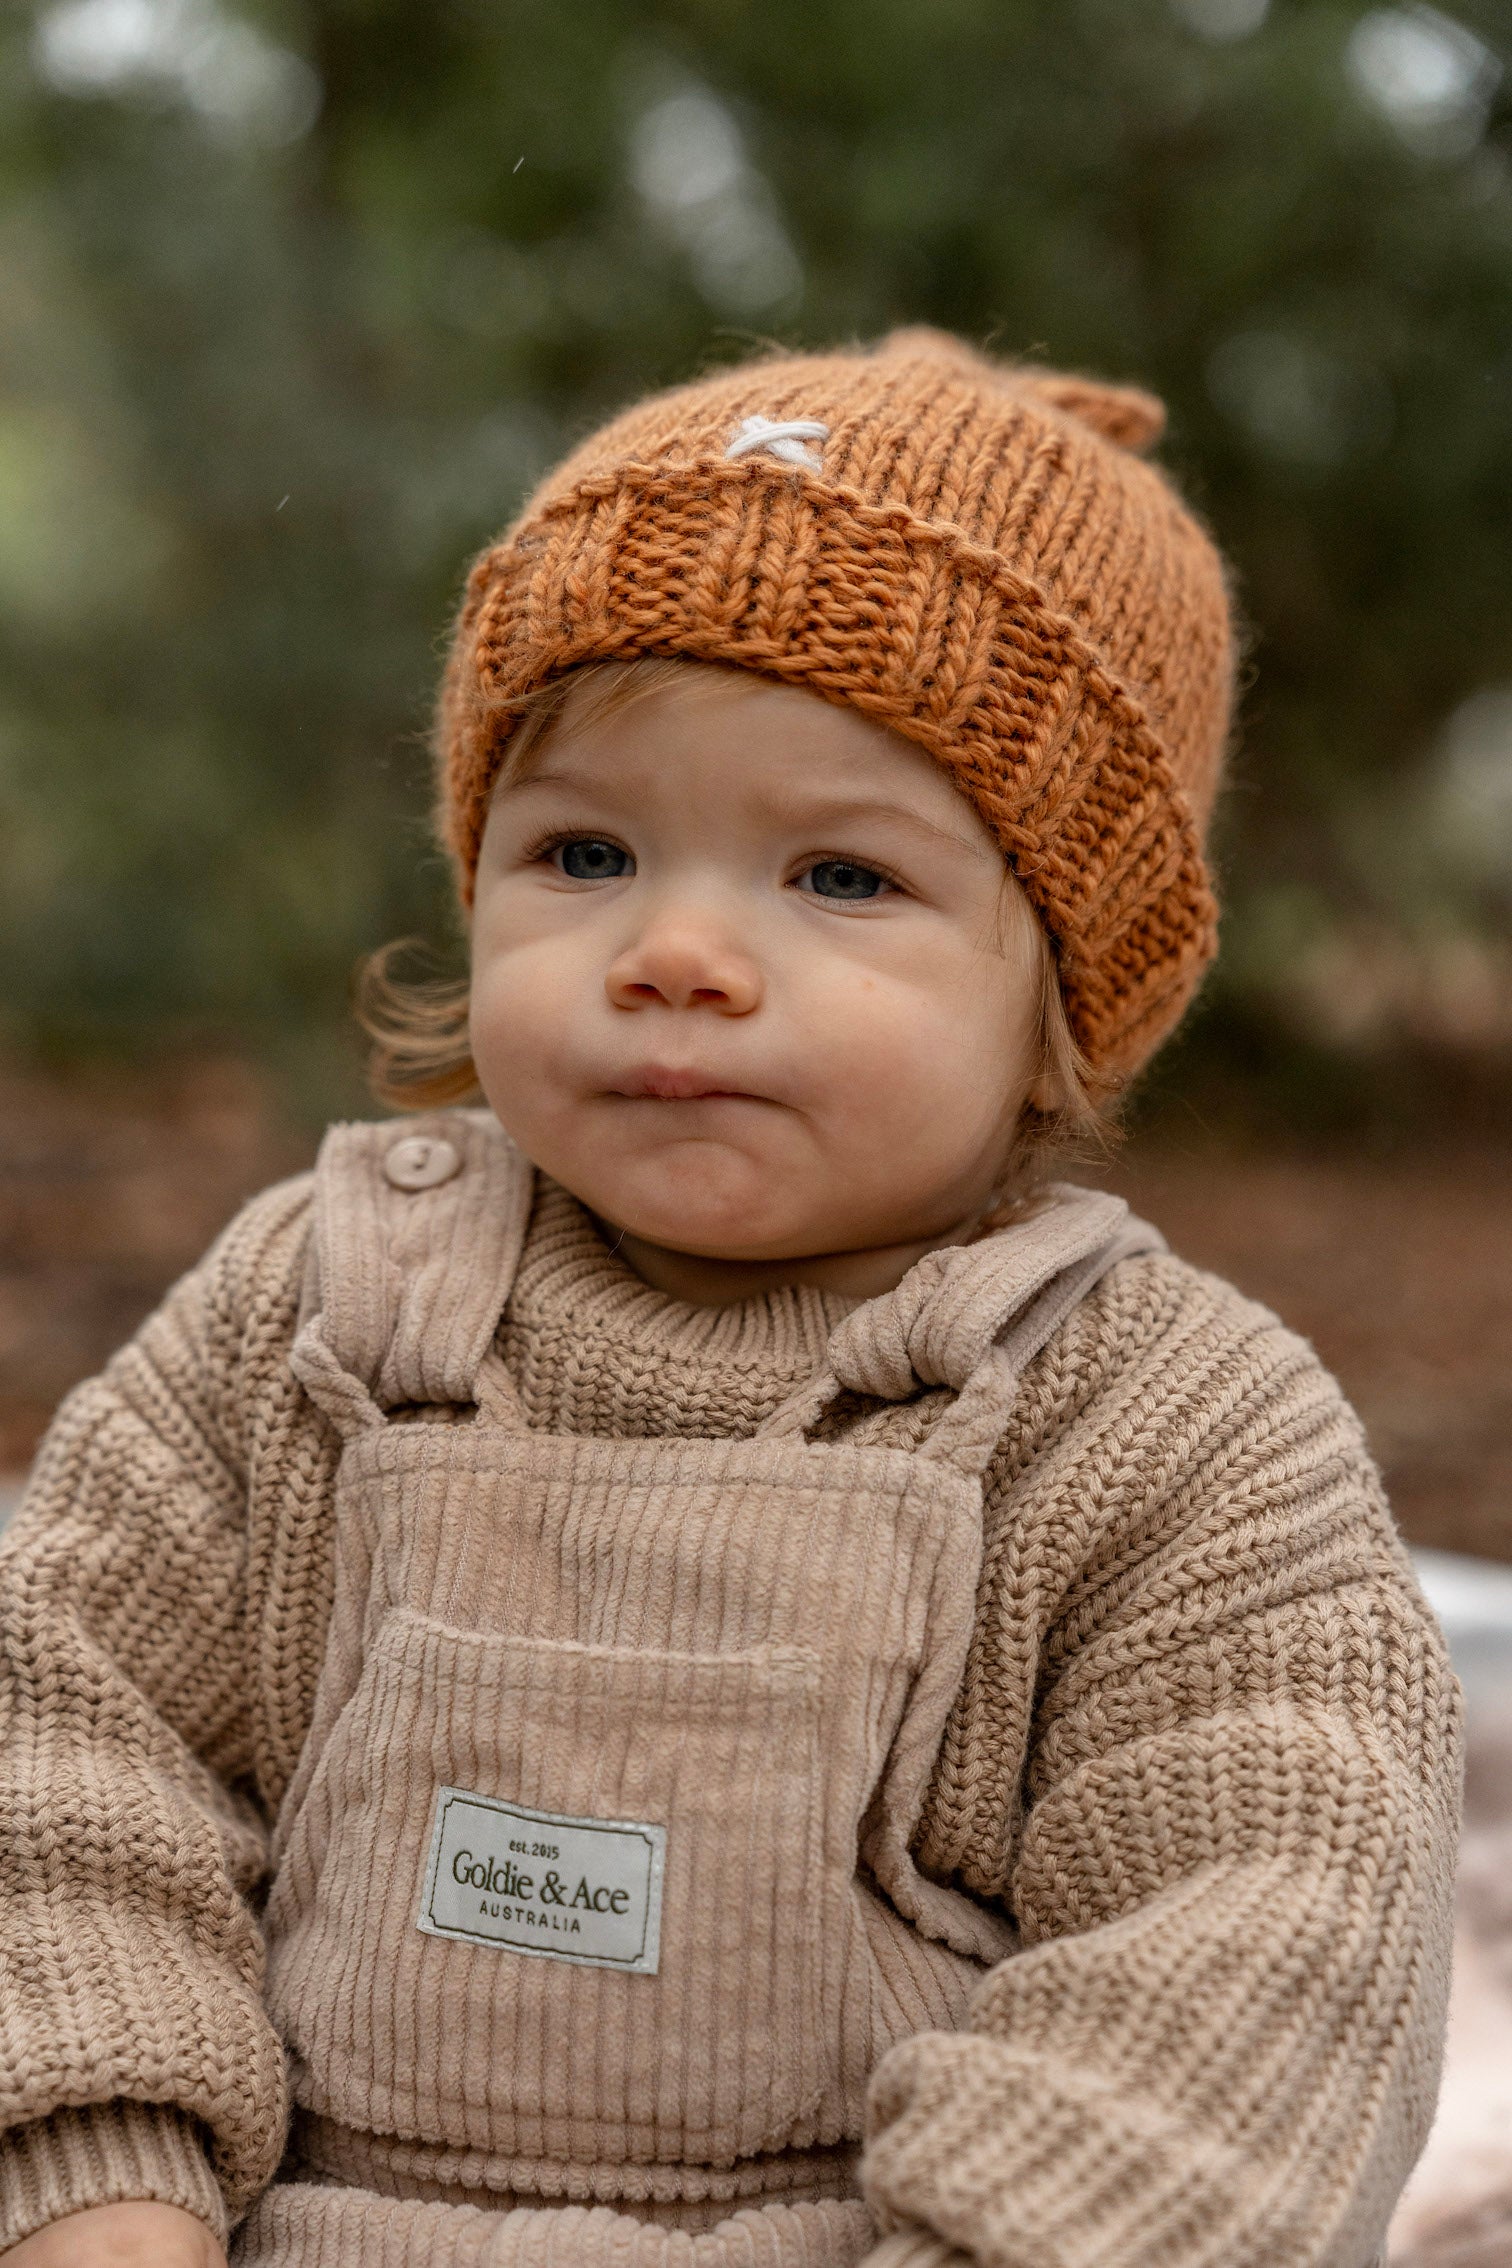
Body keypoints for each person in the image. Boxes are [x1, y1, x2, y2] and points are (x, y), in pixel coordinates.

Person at [0, 331, 1459, 2268]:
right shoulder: (319, 1313)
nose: (677, 951)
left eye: (840, 877)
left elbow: (1264, 1943)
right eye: (585, 852)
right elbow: (69, 1739)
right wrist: (98, 2177)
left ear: (1064, 995)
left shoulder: (1162, 1426)